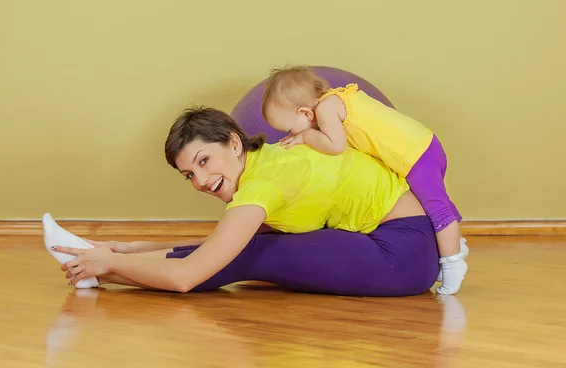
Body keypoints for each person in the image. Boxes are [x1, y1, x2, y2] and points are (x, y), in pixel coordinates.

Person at [45, 107, 441, 296]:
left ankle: (96, 270)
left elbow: (188, 276)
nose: (200, 181)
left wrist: (113, 261)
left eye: (203, 161)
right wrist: (136, 248)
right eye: (189, 175)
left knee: (251, 255)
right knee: (249, 248)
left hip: (399, 254)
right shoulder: (269, 159)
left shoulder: (263, 184)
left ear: (233, 143)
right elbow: (224, 243)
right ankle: (93, 266)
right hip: (407, 248)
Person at [260, 65, 468, 294]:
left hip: (416, 154)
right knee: (435, 203)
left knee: (438, 211)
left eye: (289, 129)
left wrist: (306, 136)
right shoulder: (337, 98)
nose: (291, 135)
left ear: (305, 113)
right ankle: (455, 245)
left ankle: (453, 263)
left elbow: (336, 146)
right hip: (421, 145)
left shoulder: (326, 110)